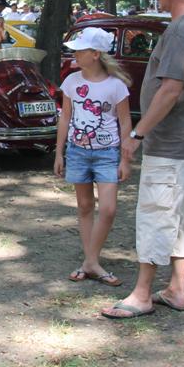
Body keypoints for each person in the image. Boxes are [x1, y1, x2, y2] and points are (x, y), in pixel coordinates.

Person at [102, 0, 184, 319]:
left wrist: (136, 133)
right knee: (179, 213)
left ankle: (142, 294)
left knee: (155, 213)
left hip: (171, 142)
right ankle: (176, 290)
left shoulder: (182, 30)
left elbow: (171, 90)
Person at [54, 26, 132, 287]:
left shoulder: (116, 86)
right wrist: (59, 152)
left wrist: (125, 159)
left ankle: (89, 262)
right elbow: (65, 117)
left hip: (107, 154)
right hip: (77, 152)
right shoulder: (71, 82)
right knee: (85, 207)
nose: (75, 55)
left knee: (108, 209)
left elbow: (125, 123)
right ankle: (91, 261)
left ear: (96, 54)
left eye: (80, 50)